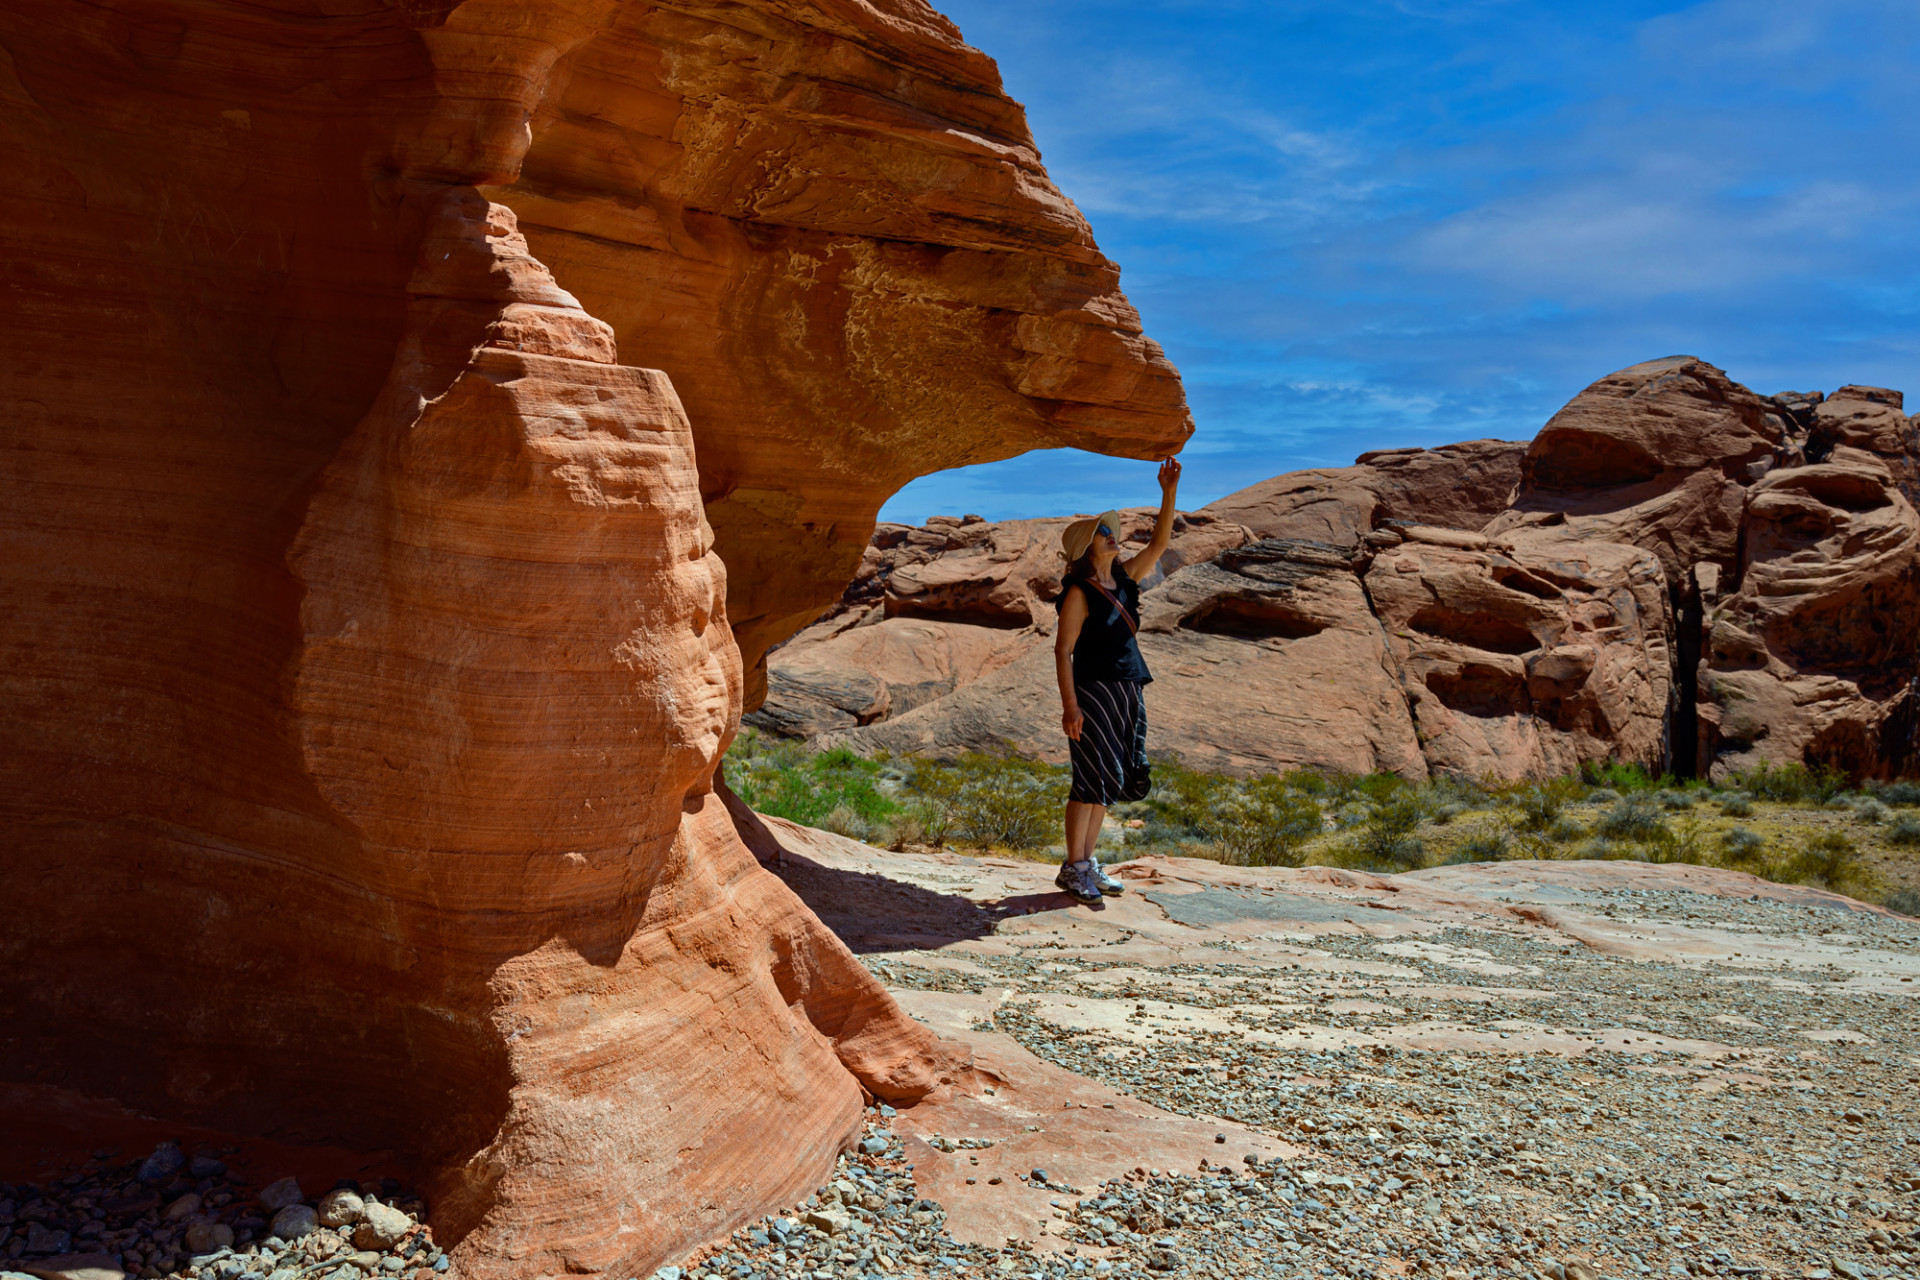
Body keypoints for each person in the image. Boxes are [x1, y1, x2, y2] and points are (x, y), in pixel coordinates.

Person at [1052, 456, 1182, 904]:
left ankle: (1087, 863)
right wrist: (1071, 706)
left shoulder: (1124, 582)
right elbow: (1063, 651)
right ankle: (1074, 868)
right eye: (1102, 532)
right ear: (1087, 548)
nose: (1112, 535)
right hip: (1093, 692)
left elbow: (1160, 542)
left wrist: (1167, 491)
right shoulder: (1079, 592)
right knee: (1089, 778)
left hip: (1127, 687)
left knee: (1108, 778)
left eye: (1111, 530)